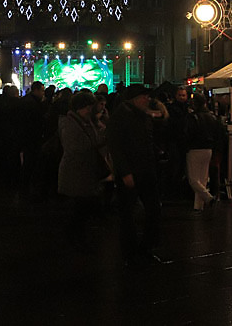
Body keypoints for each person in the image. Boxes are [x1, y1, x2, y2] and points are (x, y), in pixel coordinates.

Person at [106, 84, 163, 267]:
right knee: (131, 213)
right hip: (135, 171)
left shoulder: (138, 115)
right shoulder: (123, 116)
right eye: (143, 96)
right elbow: (117, 147)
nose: (147, 99)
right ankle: (133, 252)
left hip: (143, 169)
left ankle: (140, 250)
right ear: (134, 99)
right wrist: (125, 172)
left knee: (148, 210)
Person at [57, 91, 109, 249]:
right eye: (87, 108)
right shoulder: (71, 123)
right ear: (80, 108)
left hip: (84, 172)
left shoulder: (85, 121)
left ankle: (77, 239)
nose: (89, 111)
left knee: (81, 210)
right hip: (76, 173)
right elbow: (77, 147)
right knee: (78, 210)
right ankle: (75, 241)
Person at [184, 93, 225, 213]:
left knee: (193, 179)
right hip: (208, 149)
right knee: (202, 178)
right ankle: (198, 205)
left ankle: (208, 198)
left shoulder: (193, 117)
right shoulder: (212, 117)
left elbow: (188, 133)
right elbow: (219, 134)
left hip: (194, 148)